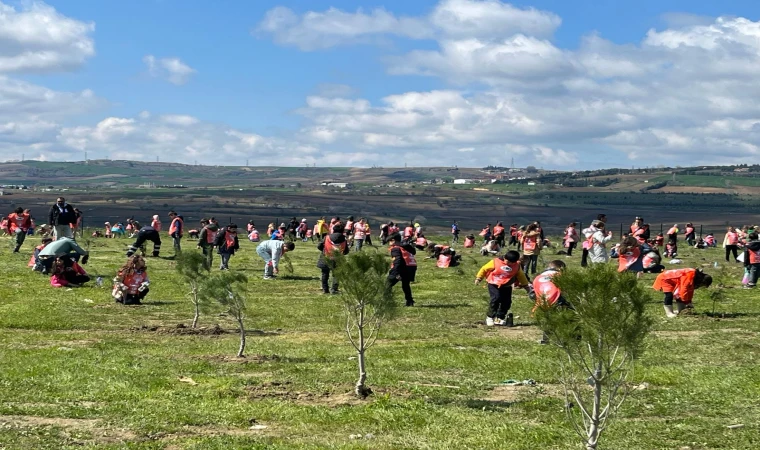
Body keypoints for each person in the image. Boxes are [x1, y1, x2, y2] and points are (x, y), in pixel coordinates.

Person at [475, 250, 530, 327]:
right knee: (496, 299)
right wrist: (479, 278)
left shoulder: (517, 266)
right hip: (494, 283)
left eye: (511, 263)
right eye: (507, 261)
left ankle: (500, 318)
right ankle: (490, 317)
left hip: (507, 285)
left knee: (507, 302)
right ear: (505, 257)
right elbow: (484, 269)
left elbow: (521, 276)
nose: (509, 264)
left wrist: (526, 286)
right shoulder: (495, 262)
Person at [531, 259, 569, 344]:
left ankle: (546, 340)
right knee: (565, 318)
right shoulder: (561, 275)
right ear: (561, 268)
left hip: (543, 301)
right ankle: (566, 339)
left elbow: (533, 293)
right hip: (558, 298)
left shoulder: (538, 277)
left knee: (548, 319)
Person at [317, 224, 349, 294]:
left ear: (333, 230)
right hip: (338, 259)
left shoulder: (327, 237)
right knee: (336, 275)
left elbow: (319, 246)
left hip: (326, 257)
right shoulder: (344, 239)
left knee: (325, 274)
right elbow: (346, 251)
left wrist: (324, 250)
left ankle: (325, 289)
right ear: (342, 231)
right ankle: (334, 289)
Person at [387, 233, 417, 306]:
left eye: (390, 241)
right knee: (405, 285)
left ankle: (387, 301)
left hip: (402, 267)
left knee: (387, 284)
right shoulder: (406, 247)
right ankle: (410, 301)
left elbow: (398, 260)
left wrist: (395, 272)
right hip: (412, 267)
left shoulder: (395, 248)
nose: (389, 243)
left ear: (393, 240)